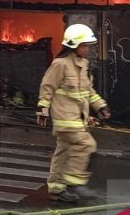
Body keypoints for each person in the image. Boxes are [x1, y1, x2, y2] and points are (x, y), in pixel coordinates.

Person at [36, 23, 110, 203]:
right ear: (73, 45)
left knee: (63, 152)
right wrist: (42, 110)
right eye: (84, 45)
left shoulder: (82, 65)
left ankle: (56, 188)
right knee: (87, 144)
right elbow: (47, 87)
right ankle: (74, 180)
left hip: (78, 117)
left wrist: (100, 106)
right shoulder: (60, 64)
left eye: (87, 45)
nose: (87, 49)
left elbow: (88, 91)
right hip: (66, 119)